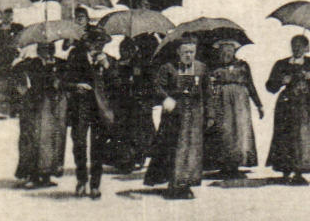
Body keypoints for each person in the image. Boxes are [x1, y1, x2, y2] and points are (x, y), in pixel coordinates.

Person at [145, 37, 209, 199]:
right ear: (178, 52)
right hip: (174, 116)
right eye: (185, 52)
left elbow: (208, 93)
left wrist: (211, 115)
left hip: (195, 116)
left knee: (192, 150)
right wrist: (166, 98)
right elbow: (156, 86)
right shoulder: (168, 68)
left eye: (191, 52)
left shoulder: (201, 68)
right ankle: (173, 184)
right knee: (173, 149)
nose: (189, 55)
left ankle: (187, 184)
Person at [265, 34, 310, 184]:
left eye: (301, 46)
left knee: (304, 137)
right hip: (286, 104)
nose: (297, 49)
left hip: (307, 105)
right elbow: (270, 86)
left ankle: (300, 171)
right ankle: (285, 170)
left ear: (307, 48)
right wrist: (281, 81)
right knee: (285, 136)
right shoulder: (281, 64)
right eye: (294, 45)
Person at [64, 34, 118, 198]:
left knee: (98, 146)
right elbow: (65, 81)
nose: (97, 47)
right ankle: (81, 180)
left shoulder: (110, 60)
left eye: (101, 44)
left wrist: (107, 66)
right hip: (80, 108)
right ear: (88, 44)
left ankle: (95, 184)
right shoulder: (76, 59)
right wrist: (76, 86)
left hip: (100, 109)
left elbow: (117, 84)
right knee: (79, 143)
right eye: (94, 43)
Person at [203, 39, 263, 178]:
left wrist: (259, 104)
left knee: (241, 132)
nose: (226, 54)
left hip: (240, 104)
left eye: (229, 51)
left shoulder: (242, 65)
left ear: (234, 51)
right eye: (223, 51)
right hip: (221, 102)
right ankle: (224, 165)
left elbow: (251, 85)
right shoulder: (213, 68)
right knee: (225, 131)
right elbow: (208, 88)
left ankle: (237, 164)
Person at [13, 42, 69, 189]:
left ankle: (47, 174)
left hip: (54, 106)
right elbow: (17, 71)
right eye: (43, 50)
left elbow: (68, 76)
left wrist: (58, 77)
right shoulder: (32, 63)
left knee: (52, 139)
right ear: (38, 51)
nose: (47, 52)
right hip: (36, 105)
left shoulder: (60, 63)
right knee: (35, 139)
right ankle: (32, 174)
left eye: (50, 49)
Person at [109, 33, 160, 172]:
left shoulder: (142, 63)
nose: (125, 52)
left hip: (140, 102)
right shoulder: (117, 64)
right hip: (123, 102)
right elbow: (113, 81)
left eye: (128, 49)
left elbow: (150, 81)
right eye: (122, 49)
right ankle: (126, 159)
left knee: (140, 131)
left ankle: (139, 156)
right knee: (123, 131)